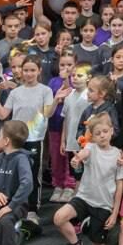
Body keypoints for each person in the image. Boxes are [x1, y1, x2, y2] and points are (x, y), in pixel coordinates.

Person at [55, 113, 123, 245]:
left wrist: (115, 213)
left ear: (112, 131)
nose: (102, 135)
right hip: (84, 198)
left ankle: (89, 225)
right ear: (92, 136)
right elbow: (83, 153)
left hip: (104, 205)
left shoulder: (118, 155)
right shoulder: (90, 147)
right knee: (59, 218)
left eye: (105, 131)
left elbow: (120, 184)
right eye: (98, 133)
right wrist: (77, 159)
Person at [6, 58, 55, 213]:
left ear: (39, 71)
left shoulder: (45, 91)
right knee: (15, 174)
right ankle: (14, 207)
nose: (29, 74)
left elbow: (48, 113)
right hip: (16, 139)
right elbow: (3, 114)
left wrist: (56, 100)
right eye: (26, 70)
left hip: (35, 138)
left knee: (33, 174)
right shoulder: (15, 92)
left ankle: (33, 209)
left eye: (32, 70)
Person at [47, 54, 78, 204]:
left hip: (72, 126)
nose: (66, 68)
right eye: (62, 65)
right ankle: (58, 184)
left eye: (69, 65)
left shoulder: (76, 81)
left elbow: (71, 96)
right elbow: (49, 101)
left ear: (75, 65)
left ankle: (70, 184)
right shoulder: (53, 81)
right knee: (56, 156)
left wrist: (66, 80)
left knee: (69, 155)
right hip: (54, 124)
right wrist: (57, 99)